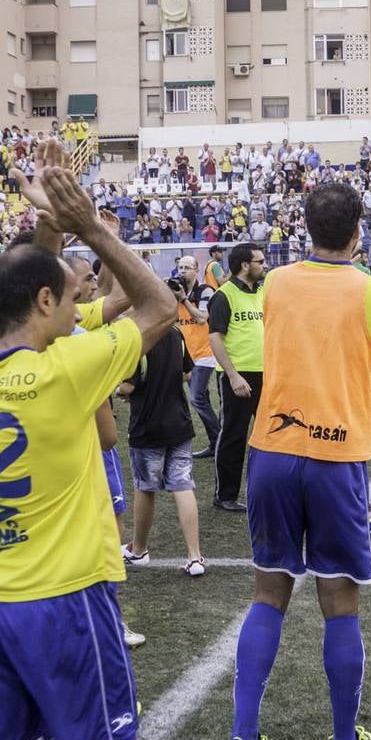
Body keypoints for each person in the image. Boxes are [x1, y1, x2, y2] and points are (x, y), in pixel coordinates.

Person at [0, 165, 176, 740]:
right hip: (60, 604)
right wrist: (91, 229)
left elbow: (16, 285)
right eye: (73, 297)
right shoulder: (66, 369)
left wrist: (48, 224)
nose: (81, 309)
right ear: (46, 302)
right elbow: (160, 305)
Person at [225, 182, 371, 740]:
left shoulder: (274, 282)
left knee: (268, 591)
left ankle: (244, 735)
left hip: (272, 450)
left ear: (305, 229)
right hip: (335, 457)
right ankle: (343, 739)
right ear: (359, 232)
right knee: (339, 600)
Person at [119, 316, 206, 577]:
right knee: (182, 484)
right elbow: (187, 372)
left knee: (145, 488)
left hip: (147, 426)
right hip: (179, 421)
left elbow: (128, 384)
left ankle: (139, 550)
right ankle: (195, 556)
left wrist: (118, 390)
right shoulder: (175, 333)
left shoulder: (137, 339)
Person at [209, 242, 266, 513]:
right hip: (239, 376)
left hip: (267, 374)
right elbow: (215, 338)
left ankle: (266, 488)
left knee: (272, 433)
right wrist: (232, 376)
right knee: (233, 435)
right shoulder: (224, 295)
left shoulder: (263, 293)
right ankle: (225, 495)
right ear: (245, 265)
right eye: (260, 261)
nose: (264, 265)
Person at [175, 256, 220, 458]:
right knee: (201, 398)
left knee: (196, 399)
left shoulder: (205, 291)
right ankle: (215, 443)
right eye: (180, 268)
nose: (183, 271)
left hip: (205, 353)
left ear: (196, 270)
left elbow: (202, 319)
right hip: (188, 355)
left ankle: (220, 440)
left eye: (187, 268)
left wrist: (184, 299)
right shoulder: (175, 292)